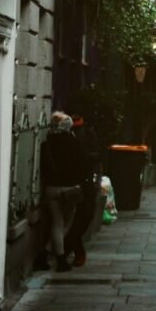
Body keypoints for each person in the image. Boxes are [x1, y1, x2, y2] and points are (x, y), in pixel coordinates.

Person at [40, 112, 88, 272]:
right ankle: (60, 259)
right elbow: (82, 164)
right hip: (70, 188)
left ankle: (44, 256)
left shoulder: (47, 142)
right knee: (65, 223)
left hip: (52, 188)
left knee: (56, 223)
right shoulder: (74, 142)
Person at [64, 113, 98, 267]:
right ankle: (71, 250)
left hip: (82, 181)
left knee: (79, 218)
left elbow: (97, 155)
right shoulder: (69, 136)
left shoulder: (84, 134)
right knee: (81, 218)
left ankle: (70, 249)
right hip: (78, 182)